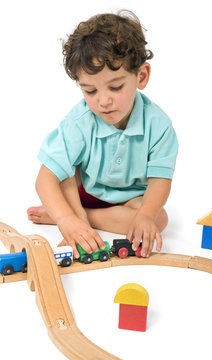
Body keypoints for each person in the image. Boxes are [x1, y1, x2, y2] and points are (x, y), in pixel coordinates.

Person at [27, 10, 178, 259]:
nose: (103, 101)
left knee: (158, 218)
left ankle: (82, 220)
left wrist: (145, 217)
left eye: (115, 87)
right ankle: (73, 217)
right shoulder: (80, 121)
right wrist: (66, 218)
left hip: (128, 200)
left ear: (141, 76)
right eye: (90, 91)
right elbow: (44, 179)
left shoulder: (158, 125)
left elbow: (160, 179)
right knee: (64, 175)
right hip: (82, 191)